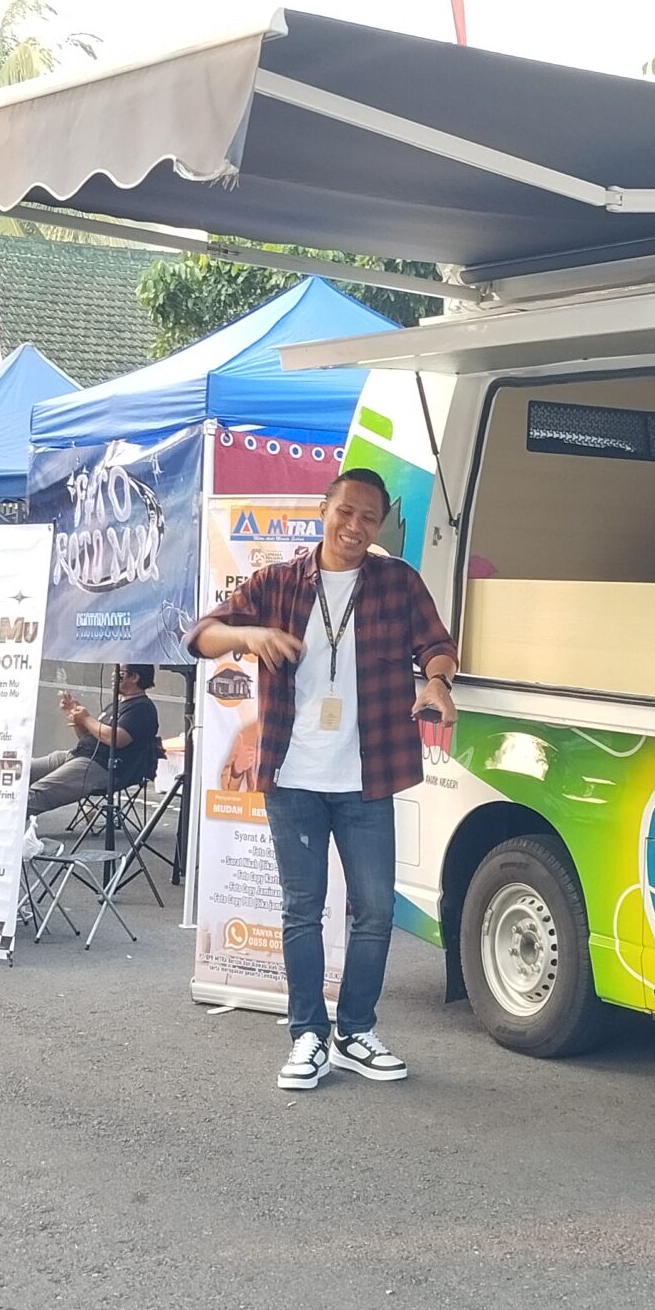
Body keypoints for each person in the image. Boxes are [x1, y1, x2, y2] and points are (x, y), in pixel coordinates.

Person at [186, 467, 457, 1091]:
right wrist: (250, 633)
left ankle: (355, 1031)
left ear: (380, 524)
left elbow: (436, 644)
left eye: (369, 517)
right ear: (324, 510)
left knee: (375, 911)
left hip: (367, 779)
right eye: (346, 512)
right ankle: (307, 1035)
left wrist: (438, 682)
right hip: (294, 779)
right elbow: (201, 636)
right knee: (302, 910)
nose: (356, 526)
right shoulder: (278, 583)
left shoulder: (397, 582)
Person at [26, 666, 160, 820]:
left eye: (120, 673)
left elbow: (116, 739)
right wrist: (78, 720)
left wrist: (86, 719)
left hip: (103, 766)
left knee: (39, 793)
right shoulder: (115, 705)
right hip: (80, 755)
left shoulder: (142, 708)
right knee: (20, 771)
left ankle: (7, 822)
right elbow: (89, 738)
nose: (114, 675)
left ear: (135, 677)